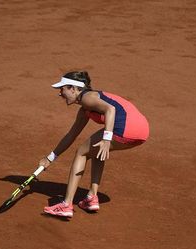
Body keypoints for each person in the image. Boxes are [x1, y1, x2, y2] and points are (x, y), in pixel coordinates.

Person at [39, 71, 149, 218]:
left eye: (62, 89)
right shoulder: (85, 109)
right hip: (142, 131)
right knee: (95, 149)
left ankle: (66, 204)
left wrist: (107, 139)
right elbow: (71, 135)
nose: (60, 94)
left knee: (81, 152)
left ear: (73, 88)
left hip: (125, 127)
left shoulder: (87, 98)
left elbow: (111, 109)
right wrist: (50, 158)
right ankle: (92, 197)